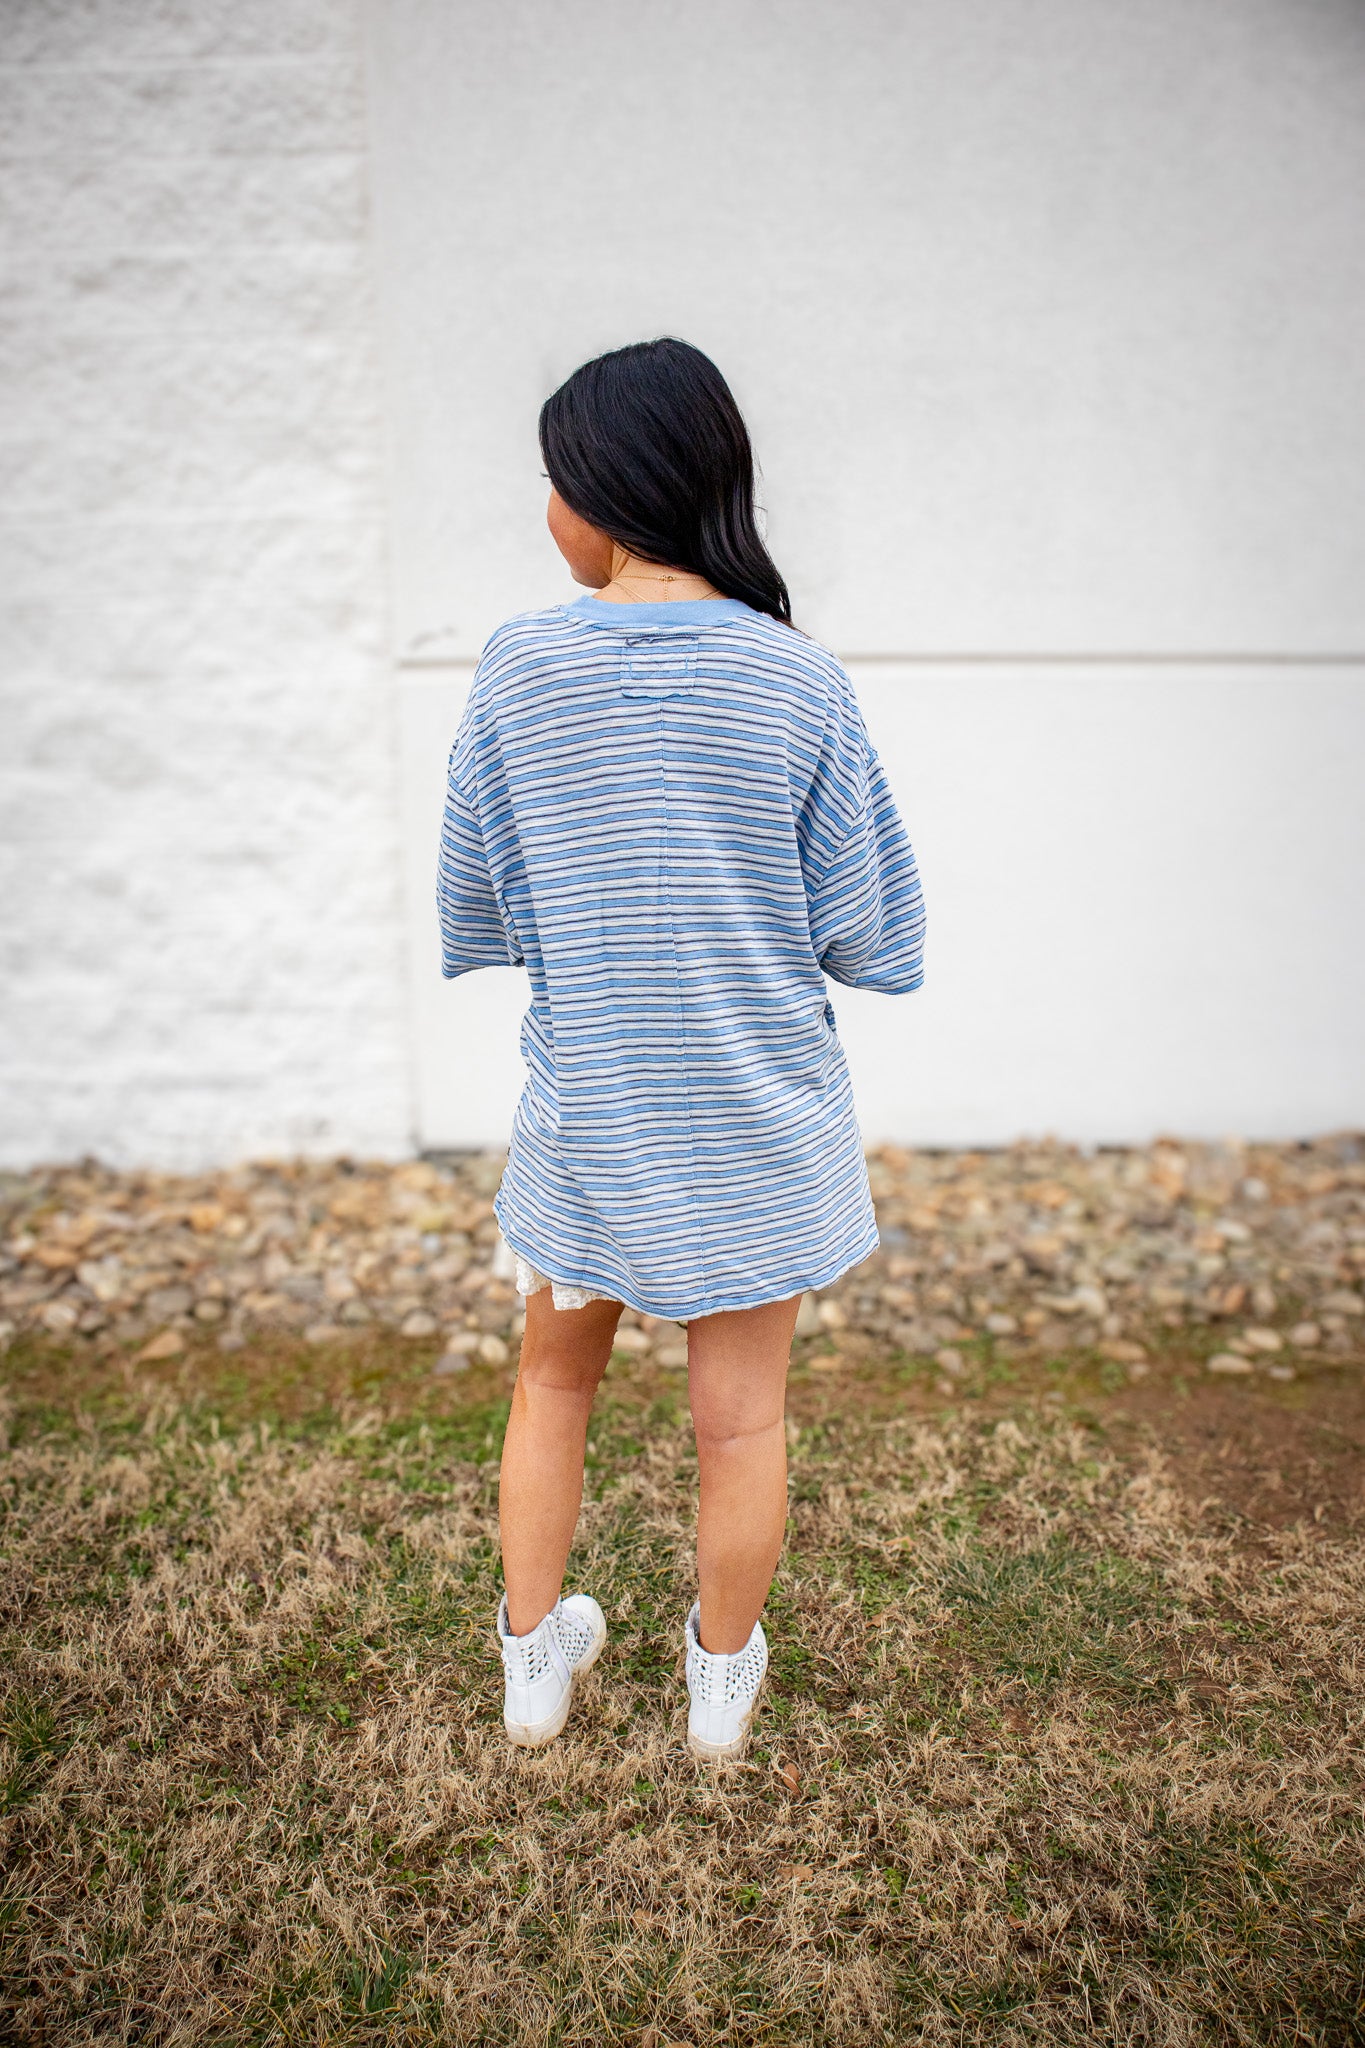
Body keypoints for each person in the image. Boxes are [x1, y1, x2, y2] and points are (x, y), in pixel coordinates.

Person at [438, 339, 925, 1759]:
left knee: (549, 1384)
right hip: (756, 1120)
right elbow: (870, 932)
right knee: (738, 1425)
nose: (546, 509)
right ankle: (718, 1692)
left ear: (601, 487)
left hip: (589, 1110)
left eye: (551, 479)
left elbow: (478, 894)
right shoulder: (799, 682)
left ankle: (535, 1667)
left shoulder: (519, 667)